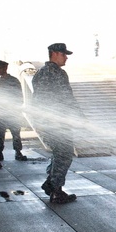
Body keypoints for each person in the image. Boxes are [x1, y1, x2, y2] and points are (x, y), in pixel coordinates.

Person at [31, 43, 82, 204]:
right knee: (65, 153)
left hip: (44, 122)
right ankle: (55, 189)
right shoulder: (59, 74)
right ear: (54, 54)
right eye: (63, 54)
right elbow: (67, 98)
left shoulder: (39, 74)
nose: (66, 57)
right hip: (57, 122)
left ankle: (52, 184)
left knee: (59, 153)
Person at [0, 60, 27, 161]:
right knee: (0, 135)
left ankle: (18, 152)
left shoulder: (14, 81)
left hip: (12, 113)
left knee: (16, 134)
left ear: (5, 68)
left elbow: (19, 97)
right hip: (1, 114)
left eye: (0, 68)